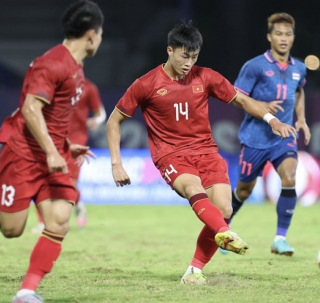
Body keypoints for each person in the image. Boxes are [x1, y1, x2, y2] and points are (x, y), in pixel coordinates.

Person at [106, 21, 296, 284]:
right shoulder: (146, 84)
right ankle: (224, 234)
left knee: (225, 208)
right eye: (184, 56)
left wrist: (270, 120)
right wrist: (116, 163)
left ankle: (194, 271)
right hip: (170, 155)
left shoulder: (205, 76)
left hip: (206, 151)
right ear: (170, 50)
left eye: (194, 57)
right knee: (193, 188)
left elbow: (241, 99)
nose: (188, 63)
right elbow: (114, 121)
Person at [0, 1, 103, 302]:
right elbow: (30, 108)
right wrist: (51, 151)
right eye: (100, 34)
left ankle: (26, 292)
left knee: (60, 220)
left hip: (54, 152)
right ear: (91, 35)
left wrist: (65, 146)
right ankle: (4, 179)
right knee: (12, 230)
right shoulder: (52, 63)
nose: (100, 40)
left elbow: (55, 116)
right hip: (23, 154)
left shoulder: (77, 69)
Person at [220, 13, 311, 256]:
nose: (284, 38)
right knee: (243, 191)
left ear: (293, 37)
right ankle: (223, 229)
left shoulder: (299, 68)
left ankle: (280, 238)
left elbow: (299, 92)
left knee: (290, 177)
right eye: (279, 34)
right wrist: (262, 104)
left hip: (284, 137)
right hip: (255, 139)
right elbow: (237, 98)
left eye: (288, 34)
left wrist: (301, 119)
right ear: (269, 37)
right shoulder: (254, 66)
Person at [31, 78, 106, 233]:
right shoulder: (52, 86)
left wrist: (96, 121)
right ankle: (42, 222)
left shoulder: (88, 87)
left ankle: (78, 203)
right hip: (52, 138)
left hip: (77, 140)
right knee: (42, 179)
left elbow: (100, 113)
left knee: (69, 184)